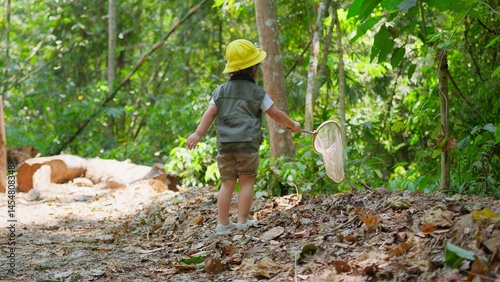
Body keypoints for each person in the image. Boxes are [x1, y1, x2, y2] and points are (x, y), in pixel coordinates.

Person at [187, 39, 301, 235]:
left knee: (227, 182)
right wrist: (292, 125)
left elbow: (210, 112)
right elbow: (275, 113)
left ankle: (223, 224)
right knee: (247, 181)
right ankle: (242, 220)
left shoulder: (220, 91)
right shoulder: (257, 93)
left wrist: (198, 134)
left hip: (225, 145)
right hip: (247, 145)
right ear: (253, 69)